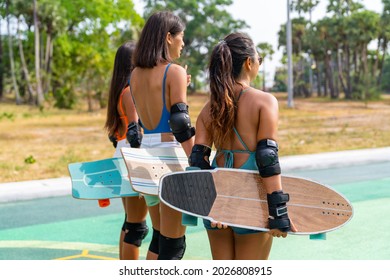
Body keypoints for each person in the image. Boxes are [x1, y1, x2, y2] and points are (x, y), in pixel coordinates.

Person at [188, 32, 297, 260]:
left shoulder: (209, 109)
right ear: (249, 62)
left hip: (215, 198)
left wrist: (210, 205)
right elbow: (267, 157)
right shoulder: (264, 101)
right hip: (251, 199)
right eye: (259, 59)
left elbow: (198, 161)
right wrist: (278, 212)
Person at [129, 11, 195, 260]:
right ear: (169, 37)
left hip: (145, 160)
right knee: (173, 245)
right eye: (181, 37)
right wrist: (198, 161)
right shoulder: (173, 71)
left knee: (158, 238)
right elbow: (179, 122)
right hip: (170, 160)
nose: (183, 43)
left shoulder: (134, 74)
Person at [104, 41, 149, 260]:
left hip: (123, 156)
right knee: (136, 227)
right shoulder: (130, 92)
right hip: (133, 157)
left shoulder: (120, 91)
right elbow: (135, 133)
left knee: (131, 222)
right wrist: (140, 172)